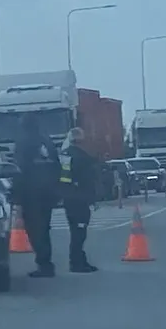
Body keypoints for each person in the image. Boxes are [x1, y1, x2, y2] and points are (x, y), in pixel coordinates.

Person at [12, 112, 61, 278]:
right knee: (44, 228)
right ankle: (46, 262)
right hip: (48, 193)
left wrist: (16, 196)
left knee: (34, 230)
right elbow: (57, 167)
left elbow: (19, 170)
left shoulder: (23, 142)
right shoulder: (47, 141)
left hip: (31, 194)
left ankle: (44, 263)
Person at [58, 126, 100, 273]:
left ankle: (78, 260)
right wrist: (92, 199)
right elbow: (88, 180)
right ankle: (77, 262)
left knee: (75, 231)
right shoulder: (82, 158)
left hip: (68, 200)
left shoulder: (63, 155)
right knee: (80, 233)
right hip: (80, 200)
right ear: (81, 140)